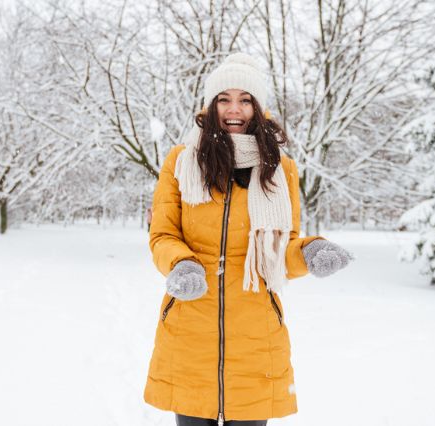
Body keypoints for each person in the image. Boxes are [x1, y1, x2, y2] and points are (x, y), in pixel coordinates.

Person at [144, 53, 353, 426]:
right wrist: (182, 263)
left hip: (256, 336)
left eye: (245, 100)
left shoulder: (280, 169)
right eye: (224, 99)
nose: (234, 109)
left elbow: (281, 250)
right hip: (191, 328)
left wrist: (309, 252)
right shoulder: (180, 162)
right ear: (211, 106)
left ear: (258, 108)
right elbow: (163, 234)